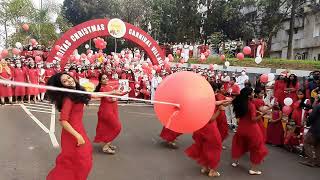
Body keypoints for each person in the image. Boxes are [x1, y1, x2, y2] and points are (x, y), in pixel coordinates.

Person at [46, 73, 116, 180]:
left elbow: (94, 95)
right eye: (64, 81)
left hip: (79, 130)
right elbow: (63, 121)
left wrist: (113, 92)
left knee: (83, 161)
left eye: (69, 77)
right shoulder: (68, 98)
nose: (69, 80)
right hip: (72, 134)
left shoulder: (78, 92)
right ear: (62, 86)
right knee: (80, 162)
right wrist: (77, 136)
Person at [231, 87, 268, 175]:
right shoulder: (250, 104)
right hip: (252, 129)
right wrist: (263, 114)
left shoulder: (239, 102)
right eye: (252, 93)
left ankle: (235, 162)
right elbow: (253, 119)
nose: (253, 94)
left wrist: (256, 112)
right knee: (256, 149)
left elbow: (242, 115)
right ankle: (253, 169)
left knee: (239, 144)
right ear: (248, 95)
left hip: (241, 128)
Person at [185, 101, 224, 177]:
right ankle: (212, 171)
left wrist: (225, 101)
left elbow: (215, 102)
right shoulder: (207, 104)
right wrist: (220, 110)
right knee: (216, 149)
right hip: (210, 129)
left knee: (205, 148)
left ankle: (205, 167)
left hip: (200, 128)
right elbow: (211, 119)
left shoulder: (198, 103)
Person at [94, 74, 127, 154]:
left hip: (112, 110)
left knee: (109, 128)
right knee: (117, 127)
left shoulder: (109, 87)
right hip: (106, 111)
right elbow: (109, 99)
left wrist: (126, 91)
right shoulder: (102, 89)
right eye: (103, 79)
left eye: (106, 78)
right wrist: (114, 98)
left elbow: (117, 94)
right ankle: (106, 146)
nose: (106, 79)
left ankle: (108, 143)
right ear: (100, 81)